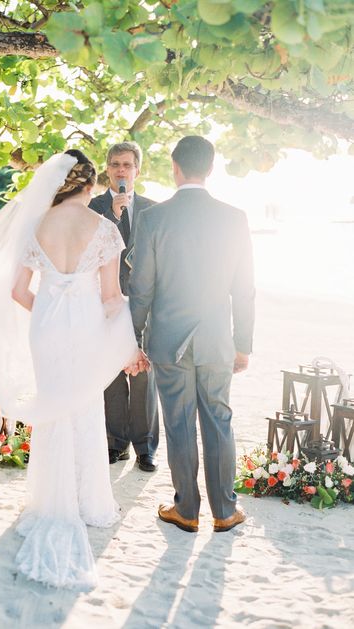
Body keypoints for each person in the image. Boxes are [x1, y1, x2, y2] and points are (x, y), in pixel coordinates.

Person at [0, 150, 146, 589]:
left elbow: (17, 290)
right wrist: (128, 346)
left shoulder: (35, 226)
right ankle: (88, 504)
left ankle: (47, 501)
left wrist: (47, 309)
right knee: (84, 409)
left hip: (45, 332)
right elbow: (110, 300)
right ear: (89, 186)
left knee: (53, 409)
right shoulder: (103, 229)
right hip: (83, 329)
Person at [128, 136, 255, 534]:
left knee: (180, 424)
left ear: (174, 167)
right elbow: (245, 289)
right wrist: (244, 344)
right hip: (219, 341)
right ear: (211, 168)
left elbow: (141, 289)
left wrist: (131, 341)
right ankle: (225, 510)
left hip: (169, 343)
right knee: (219, 420)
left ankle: (186, 509)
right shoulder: (235, 218)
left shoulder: (152, 219)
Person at [89, 142, 159, 472]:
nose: (121, 170)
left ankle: (145, 448)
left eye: (127, 165)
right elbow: (89, 249)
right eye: (115, 164)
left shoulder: (154, 210)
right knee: (113, 373)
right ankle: (115, 444)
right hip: (105, 301)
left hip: (145, 303)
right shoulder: (93, 207)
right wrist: (112, 216)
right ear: (107, 169)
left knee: (144, 374)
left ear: (137, 171)